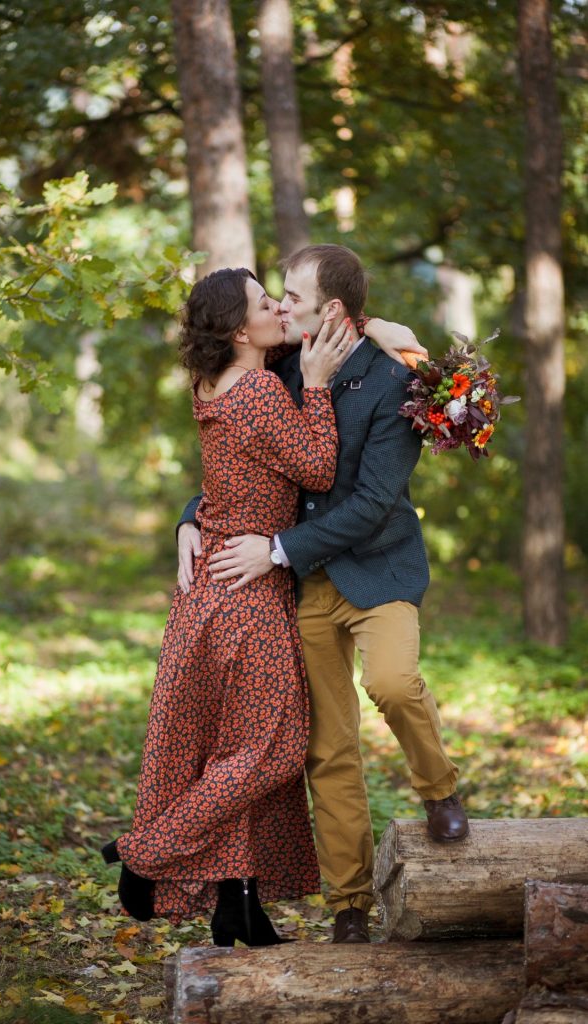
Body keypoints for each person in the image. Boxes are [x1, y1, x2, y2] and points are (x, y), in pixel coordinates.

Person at [178, 244, 469, 946]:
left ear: (332, 310)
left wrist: (277, 549)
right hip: (308, 587)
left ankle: (440, 789)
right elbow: (240, 457)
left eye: (292, 298)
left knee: (394, 682)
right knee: (327, 749)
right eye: (273, 298)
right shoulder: (277, 365)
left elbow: (372, 502)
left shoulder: (397, 382)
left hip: (377, 570)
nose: (280, 307)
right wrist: (190, 516)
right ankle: (348, 905)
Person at [103, 266, 360, 946]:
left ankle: (238, 902)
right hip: (247, 594)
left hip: (209, 593)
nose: (279, 307)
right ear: (241, 331)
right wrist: (315, 386)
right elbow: (317, 468)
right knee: (270, 750)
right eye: (264, 302)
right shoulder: (258, 393)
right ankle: (146, 854)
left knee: (232, 750)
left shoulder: (213, 379)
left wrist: (189, 518)